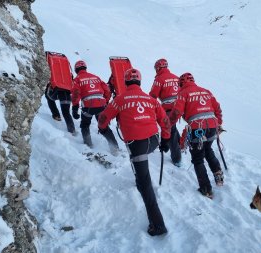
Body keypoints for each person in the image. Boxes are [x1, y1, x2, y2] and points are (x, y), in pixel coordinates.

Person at [98, 68, 171, 236]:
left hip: (136, 144)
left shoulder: (120, 99)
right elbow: (165, 121)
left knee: (145, 184)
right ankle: (140, 179)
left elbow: (104, 117)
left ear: (125, 82)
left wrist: (102, 129)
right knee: (141, 171)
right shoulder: (150, 99)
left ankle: (158, 225)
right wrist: (165, 140)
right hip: (153, 141)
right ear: (139, 82)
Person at [169, 73, 224, 199]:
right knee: (208, 149)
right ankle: (217, 173)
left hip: (197, 128)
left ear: (181, 84)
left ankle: (206, 189)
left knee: (198, 158)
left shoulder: (183, 93)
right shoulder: (206, 91)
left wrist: (168, 125)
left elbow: (176, 112)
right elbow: (218, 108)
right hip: (212, 126)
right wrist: (218, 123)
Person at [71, 60, 119, 153]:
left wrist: (74, 108)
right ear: (85, 68)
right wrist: (105, 100)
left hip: (88, 107)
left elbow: (76, 94)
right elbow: (107, 90)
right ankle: (114, 147)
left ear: (76, 70)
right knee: (103, 127)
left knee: (85, 125)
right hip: (101, 105)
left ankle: (88, 145)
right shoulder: (96, 77)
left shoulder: (77, 79)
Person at [149, 58, 182, 167]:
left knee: (170, 131)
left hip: (168, 110)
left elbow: (153, 95)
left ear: (158, 68)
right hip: (180, 108)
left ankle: (177, 159)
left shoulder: (159, 79)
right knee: (173, 128)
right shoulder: (177, 78)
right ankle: (181, 144)